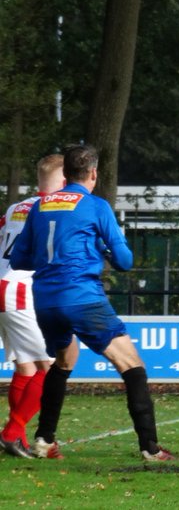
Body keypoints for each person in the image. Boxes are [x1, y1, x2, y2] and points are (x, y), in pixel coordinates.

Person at [8, 144, 172, 461]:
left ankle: (44, 439)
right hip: (82, 297)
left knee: (64, 361)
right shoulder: (96, 206)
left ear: (66, 174)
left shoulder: (39, 207)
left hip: (44, 302)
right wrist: (103, 248)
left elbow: (18, 260)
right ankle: (150, 448)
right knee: (133, 367)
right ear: (94, 173)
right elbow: (125, 261)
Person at [0, 155, 64, 457]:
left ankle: (19, 438)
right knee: (49, 367)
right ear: (64, 181)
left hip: (2, 286)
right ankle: (12, 432)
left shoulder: (15, 207)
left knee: (25, 366)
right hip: (20, 289)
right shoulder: (49, 209)